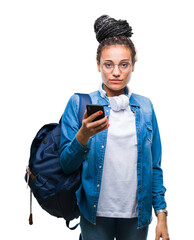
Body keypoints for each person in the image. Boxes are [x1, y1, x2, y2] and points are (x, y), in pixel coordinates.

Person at [59, 15, 169, 240]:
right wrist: (83, 135)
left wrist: (161, 215)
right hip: (93, 213)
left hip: (137, 215)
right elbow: (66, 165)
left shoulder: (145, 107)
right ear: (98, 64)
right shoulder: (79, 104)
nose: (116, 72)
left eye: (124, 64)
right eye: (108, 64)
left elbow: (154, 167)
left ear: (133, 66)